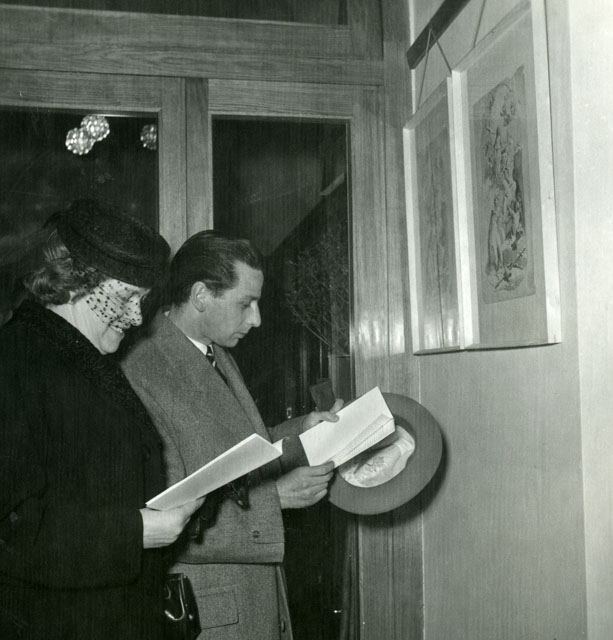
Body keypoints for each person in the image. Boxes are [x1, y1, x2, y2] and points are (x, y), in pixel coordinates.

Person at [121, 230, 342, 640]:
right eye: (245, 303)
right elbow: (160, 516)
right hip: (208, 615)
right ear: (201, 295)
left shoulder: (213, 350)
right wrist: (275, 499)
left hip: (249, 600)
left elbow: (233, 452)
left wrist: (301, 432)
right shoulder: (142, 370)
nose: (256, 319)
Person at [0, 200, 204, 640]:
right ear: (73, 280)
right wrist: (136, 532)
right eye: (126, 297)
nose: (136, 316)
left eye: (142, 300)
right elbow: (11, 531)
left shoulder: (83, 359)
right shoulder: (14, 362)